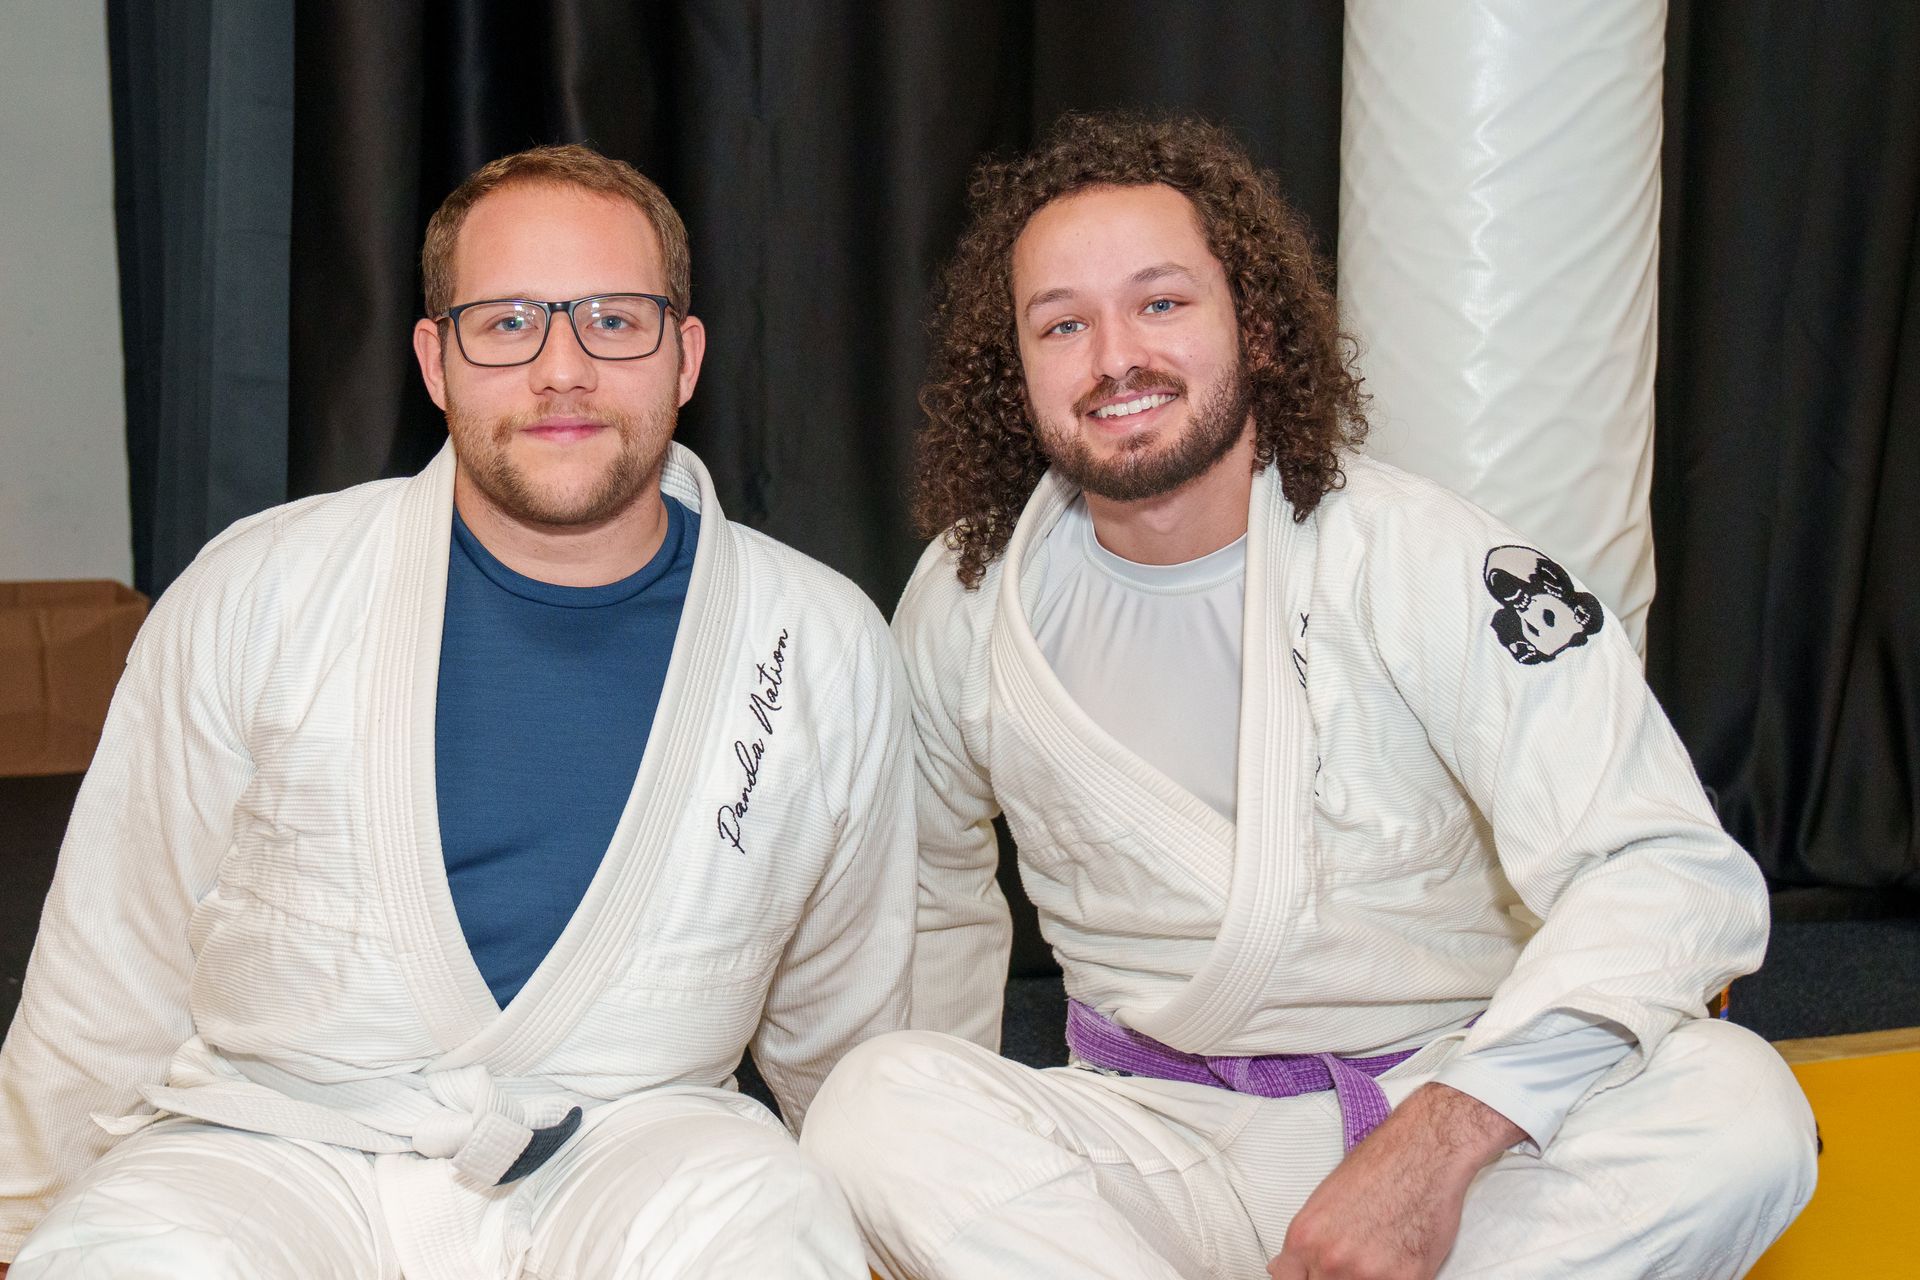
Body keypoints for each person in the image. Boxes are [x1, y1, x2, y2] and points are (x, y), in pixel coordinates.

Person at [801, 114, 1817, 1280]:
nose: (1113, 355)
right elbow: (928, 897)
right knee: (870, 1106)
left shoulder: (1419, 555)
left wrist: (1437, 1144)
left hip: (1452, 1115)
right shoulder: (969, 601)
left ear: (1262, 327)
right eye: (1063, 324)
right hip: (1160, 1142)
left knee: (1740, 1110)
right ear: (1016, 369)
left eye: (1162, 303)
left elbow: (1665, 866)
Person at [0, 144, 913, 1280]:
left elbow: (849, 1011)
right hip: (275, 1145)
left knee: (769, 1235)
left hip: (646, 1146)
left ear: (685, 356)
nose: (563, 368)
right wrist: (22, 1213)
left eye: (616, 320)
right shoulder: (264, 585)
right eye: (508, 320)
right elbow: (114, 950)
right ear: (435, 360)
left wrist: (888, 1226)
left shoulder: (822, 642)